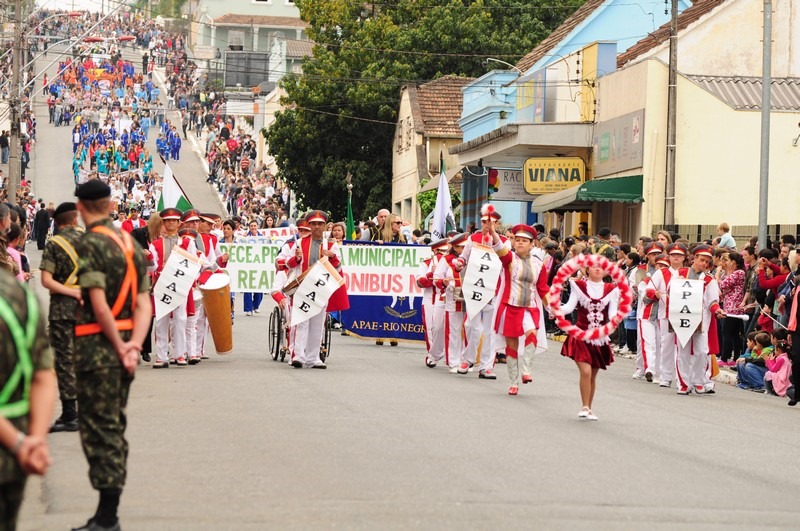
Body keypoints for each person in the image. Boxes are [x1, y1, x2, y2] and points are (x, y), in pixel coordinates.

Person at [72, 179, 151, 531]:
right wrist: (134, 344)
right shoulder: (132, 245)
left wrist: (118, 346)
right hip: (124, 348)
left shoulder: (90, 243)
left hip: (98, 350)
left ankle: (107, 516)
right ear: (109, 203)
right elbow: (144, 302)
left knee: (98, 430)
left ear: (81, 207)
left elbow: (99, 302)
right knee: (113, 425)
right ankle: (107, 512)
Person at [0, 267, 57, 531]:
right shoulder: (19, 294)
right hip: (12, 461)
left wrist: (22, 442)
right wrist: (35, 441)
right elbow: (43, 375)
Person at [558, 259, 623, 420]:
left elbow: (612, 313)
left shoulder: (611, 290)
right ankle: (585, 406)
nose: (598, 269)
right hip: (581, 334)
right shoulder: (579, 286)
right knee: (585, 371)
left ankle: (589, 407)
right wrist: (555, 308)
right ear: (587, 269)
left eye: (601, 267)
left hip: (599, 337)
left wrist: (617, 318)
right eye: (594, 266)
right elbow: (569, 306)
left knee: (592, 375)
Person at [489, 224, 549, 396]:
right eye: (517, 240)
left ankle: (526, 370)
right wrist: (493, 232)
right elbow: (500, 249)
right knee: (512, 345)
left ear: (532, 244)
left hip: (530, 307)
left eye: (525, 241)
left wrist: (552, 307)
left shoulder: (538, 264)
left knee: (532, 334)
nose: (520, 243)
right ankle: (513, 382)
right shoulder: (509, 259)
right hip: (510, 307)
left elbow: (543, 288)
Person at [40, 203, 84, 433]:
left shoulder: (55, 244)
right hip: (91, 309)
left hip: (62, 310)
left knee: (65, 360)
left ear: (57, 223)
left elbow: (46, 280)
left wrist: (71, 291)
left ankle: (70, 414)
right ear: (76, 219)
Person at [452, 205, 509, 379]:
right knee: (471, 326)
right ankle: (468, 359)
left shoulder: (504, 241)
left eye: (490, 222)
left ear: (496, 223)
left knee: (490, 330)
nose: (486, 225)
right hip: (474, 288)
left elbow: (506, 258)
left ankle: (486, 366)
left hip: (493, 290)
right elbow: (464, 257)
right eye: (484, 222)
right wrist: (459, 262)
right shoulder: (473, 238)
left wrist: (493, 236)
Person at [672, 245, 725, 395]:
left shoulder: (709, 280)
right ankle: (683, 383)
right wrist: (678, 284)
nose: (704, 264)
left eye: (707, 262)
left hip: (702, 321)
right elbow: (670, 292)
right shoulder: (679, 273)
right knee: (682, 352)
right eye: (702, 260)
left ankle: (698, 380)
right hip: (682, 319)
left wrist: (717, 310)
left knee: (702, 351)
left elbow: (712, 302)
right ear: (694, 258)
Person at [148, 208, 197, 368]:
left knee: (180, 319)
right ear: (163, 222)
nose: (171, 223)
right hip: (162, 283)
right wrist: (148, 259)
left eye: (174, 220)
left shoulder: (187, 243)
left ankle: (179, 354)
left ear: (179, 223)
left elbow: (194, 263)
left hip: (180, 284)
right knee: (161, 319)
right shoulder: (155, 244)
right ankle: (162, 356)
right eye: (168, 220)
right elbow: (151, 268)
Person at [645, 243, 689, 388]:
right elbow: (649, 290)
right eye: (673, 255)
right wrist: (655, 294)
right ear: (669, 257)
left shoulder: (689, 272)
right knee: (667, 345)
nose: (676, 257)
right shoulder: (661, 272)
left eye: (679, 255)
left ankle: (681, 377)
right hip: (666, 313)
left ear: (684, 257)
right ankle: (665, 376)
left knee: (683, 346)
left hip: (684, 314)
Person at [433, 233, 468, 373]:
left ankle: (466, 360)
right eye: (461, 247)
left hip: (470, 299)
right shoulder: (446, 260)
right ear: (454, 247)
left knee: (468, 330)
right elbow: (436, 279)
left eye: (465, 247)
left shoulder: (471, 259)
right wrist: (444, 282)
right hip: (453, 299)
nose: (463, 249)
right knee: (453, 330)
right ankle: (453, 361)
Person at [632, 242, 664, 381]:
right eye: (652, 254)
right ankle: (641, 367)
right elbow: (638, 287)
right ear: (647, 255)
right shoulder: (640, 270)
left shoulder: (666, 269)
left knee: (658, 342)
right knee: (643, 342)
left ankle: (653, 369)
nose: (655, 257)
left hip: (661, 311)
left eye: (658, 254)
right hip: (645, 309)